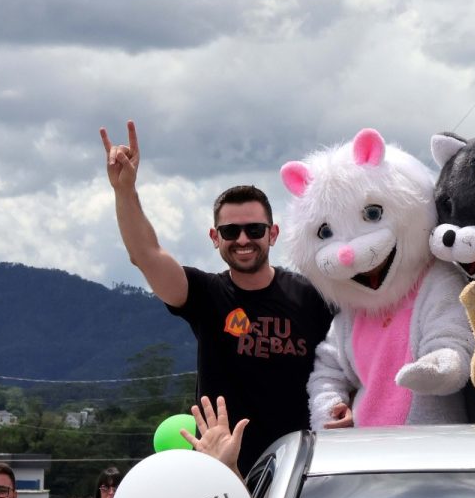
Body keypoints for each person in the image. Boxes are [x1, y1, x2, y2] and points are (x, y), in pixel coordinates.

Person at [102, 120, 333, 477]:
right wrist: (125, 190)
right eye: (230, 231)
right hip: (219, 469)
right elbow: (145, 255)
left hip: (302, 468)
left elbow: (345, 364)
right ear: (214, 237)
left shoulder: (313, 295)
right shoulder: (206, 294)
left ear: (273, 234)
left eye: (254, 229)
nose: (243, 239)